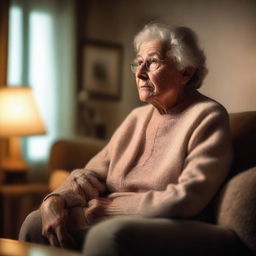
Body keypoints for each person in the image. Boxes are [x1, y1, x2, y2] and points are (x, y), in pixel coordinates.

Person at [19, 23, 238, 255]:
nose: (140, 72)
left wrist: (112, 208)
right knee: (35, 223)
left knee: (106, 234)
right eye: (138, 62)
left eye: (152, 62)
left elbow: (189, 197)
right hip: (109, 215)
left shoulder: (207, 115)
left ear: (186, 71)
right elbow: (90, 174)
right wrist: (54, 200)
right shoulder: (136, 117)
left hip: (169, 221)